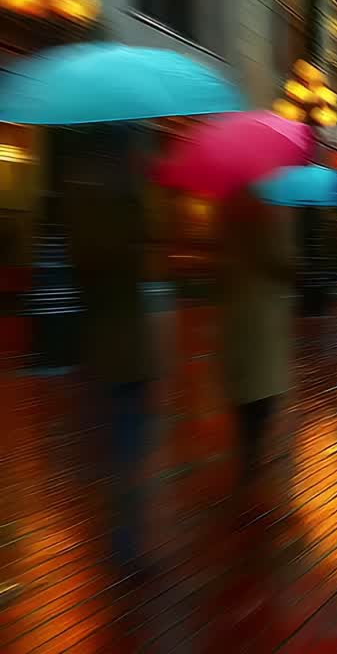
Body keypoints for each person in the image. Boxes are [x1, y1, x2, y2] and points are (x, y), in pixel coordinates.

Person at [63, 125, 153, 567]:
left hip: (113, 345)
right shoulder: (110, 198)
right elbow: (119, 258)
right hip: (117, 347)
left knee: (124, 444)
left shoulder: (92, 192)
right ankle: (122, 545)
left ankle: (122, 538)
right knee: (124, 447)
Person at [218, 187, 297, 491]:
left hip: (237, 308)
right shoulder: (271, 209)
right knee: (263, 389)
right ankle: (253, 454)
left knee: (245, 386)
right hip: (263, 311)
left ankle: (248, 451)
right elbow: (283, 261)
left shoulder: (229, 204)